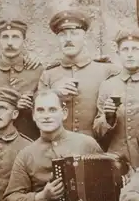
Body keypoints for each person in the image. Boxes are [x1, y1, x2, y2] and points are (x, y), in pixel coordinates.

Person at [3, 89, 103, 201]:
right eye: (41, 110)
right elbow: (11, 200)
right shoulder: (26, 154)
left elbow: (106, 187)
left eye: (52, 110)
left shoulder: (86, 144)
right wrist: (42, 197)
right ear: (34, 116)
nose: (46, 116)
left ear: (64, 113)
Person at [38, 9, 116, 137]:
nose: (68, 39)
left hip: (95, 149)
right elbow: (37, 113)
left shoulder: (106, 71)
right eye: (62, 34)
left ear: (85, 37)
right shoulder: (48, 75)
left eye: (74, 33)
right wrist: (55, 93)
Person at [93, 27, 139, 166]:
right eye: (125, 50)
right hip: (115, 164)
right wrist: (108, 118)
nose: (130, 54)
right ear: (118, 53)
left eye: (135, 49)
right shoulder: (108, 85)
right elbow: (97, 133)